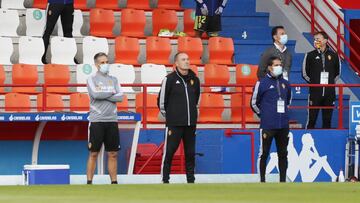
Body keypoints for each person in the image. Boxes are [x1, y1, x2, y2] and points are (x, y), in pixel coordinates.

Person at [157, 52, 201, 184]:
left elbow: (196, 100)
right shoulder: (169, 79)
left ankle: (191, 180)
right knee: (169, 152)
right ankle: (165, 179)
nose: (186, 61)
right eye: (183, 59)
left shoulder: (195, 80)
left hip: (190, 124)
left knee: (190, 153)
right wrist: (171, 116)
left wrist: (191, 115)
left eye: (188, 59)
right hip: (174, 124)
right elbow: (161, 102)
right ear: (176, 63)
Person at [251, 56, 292, 182]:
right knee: (264, 153)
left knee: (283, 154)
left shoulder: (286, 83)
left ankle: (283, 181)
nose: (279, 67)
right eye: (276, 65)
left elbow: (288, 101)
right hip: (267, 125)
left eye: (280, 64)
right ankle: (262, 181)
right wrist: (263, 115)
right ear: (269, 67)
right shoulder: (261, 83)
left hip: (283, 125)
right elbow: (253, 103)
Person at [86, 53, 123, 184]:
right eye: (102, 62)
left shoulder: (114, 79)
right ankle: (89, 182)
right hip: (97, 121)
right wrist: (111, 93)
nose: (105, 64)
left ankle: (114, 182)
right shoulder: (91, 79)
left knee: (113, 154)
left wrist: (105, 94)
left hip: (112, 120)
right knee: (94, 153)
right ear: (96, 65)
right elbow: (95, 94)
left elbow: (120, 97)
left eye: (107, 61)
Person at [302, 31, 341, 129]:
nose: (315, 41)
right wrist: (315, 83)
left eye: (318, 39)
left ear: (325, 40)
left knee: (327, 121)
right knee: (312, 120)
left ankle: (326, 143)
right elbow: (304, 73)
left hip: (329, 93)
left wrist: (329, 84)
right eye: (314, 39)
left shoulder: (334, 56)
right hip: (315, 92)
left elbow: (337, 74)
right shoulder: (309, 55)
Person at [42, 0, 74, 64]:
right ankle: (42, 57)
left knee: (68, 32)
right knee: (48, 31)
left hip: (69, 4)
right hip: (54, 3)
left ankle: (70, 57)